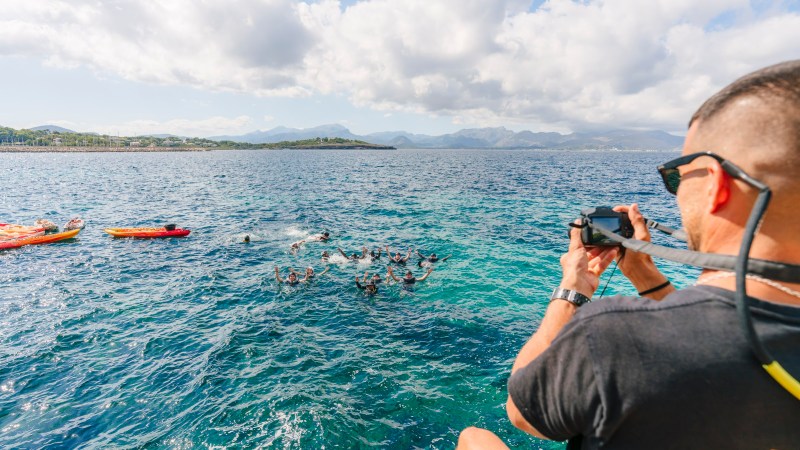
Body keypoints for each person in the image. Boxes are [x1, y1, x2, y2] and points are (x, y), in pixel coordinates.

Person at [458, 61, 800, 448]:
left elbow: (522, 411)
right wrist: (646, 278)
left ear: (716, 185)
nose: (674, 192)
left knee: (474, 438)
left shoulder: (614, 337)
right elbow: (708, 338)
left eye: (676, 176)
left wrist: (572, 288)